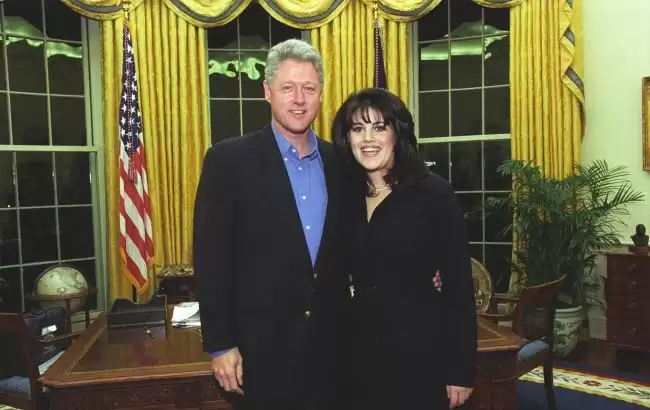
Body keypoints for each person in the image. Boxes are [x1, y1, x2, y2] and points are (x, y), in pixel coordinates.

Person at [193, 39, 351, 410]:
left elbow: (357, 244)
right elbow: (210, 260)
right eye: (287, 88)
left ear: (320, 94)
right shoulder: (227, 161)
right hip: (259, 356)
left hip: (332, 356)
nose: (299, 99)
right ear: (267, 91)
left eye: (308, 89)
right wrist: (220, 345)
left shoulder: (341, 162)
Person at [332, 87, 478, 409]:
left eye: (379, 127)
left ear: (397, 133)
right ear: (347, 138)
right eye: (358, 129)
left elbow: (458, 287)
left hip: (419, 356)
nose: (368, 138)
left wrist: (460, 369)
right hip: (356, 359)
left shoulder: (434, 194)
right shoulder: (342, 195)